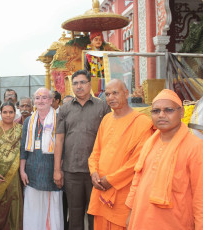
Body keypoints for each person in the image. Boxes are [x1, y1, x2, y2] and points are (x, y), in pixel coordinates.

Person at [125, 89, 203, 230]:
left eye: (168, 110)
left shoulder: (195, 147)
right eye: (156, 111)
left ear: (181, 113)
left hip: (174, 223)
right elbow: (137, 179)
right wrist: (131, 213)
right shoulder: (150, 142)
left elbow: (200, 196)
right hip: (141, 220)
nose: (161, 115)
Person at [87, 79, 153, 230]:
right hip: (100, 188)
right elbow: (95, 151)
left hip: (123, 192)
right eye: (108, 94)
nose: (111, 97)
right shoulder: (106, 119)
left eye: (115, 93)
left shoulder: (142, 122)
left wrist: (111, 180)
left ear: (126, 93)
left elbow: (137, 162)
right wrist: (93, 173)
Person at [53, 69, 110, 230]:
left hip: (96, 173)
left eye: (82, 82)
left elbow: (109, 138)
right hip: (72, 172)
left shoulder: (103, 107)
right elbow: (59, 139)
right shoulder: (65, 109)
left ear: (89, 84)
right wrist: (57, 170)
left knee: (95, 215)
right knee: (75, 215)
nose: (79, 86)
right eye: (75, 83)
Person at [20, 88, 63, 230]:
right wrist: (22, 170)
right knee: (33, 210)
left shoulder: (59, 119)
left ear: (51, 101)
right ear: (34, 101)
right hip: (32, 171)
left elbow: (64, 147)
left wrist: (60, 170)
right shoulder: (28, 122)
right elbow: (23, 149)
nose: (41, 101)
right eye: (37, 98)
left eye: (44, 98)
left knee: (52, 210)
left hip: (52, 172)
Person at [0, 101, 23, 230]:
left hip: (13, 175)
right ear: (0, 113)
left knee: (13, 204)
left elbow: (23, 152)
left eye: (11, 112)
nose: (8, 115)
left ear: (15, 113)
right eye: (5, 112)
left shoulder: (20, 129)